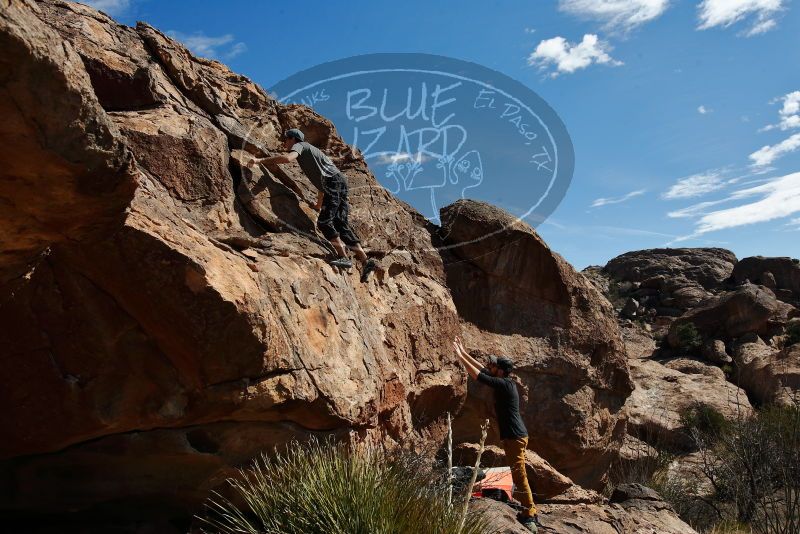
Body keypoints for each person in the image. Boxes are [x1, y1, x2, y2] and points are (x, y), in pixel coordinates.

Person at [249, 128, 377, 282]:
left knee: (324, 222)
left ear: (293, 139)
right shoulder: (314, 152)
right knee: (340, 223)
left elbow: (287, 159)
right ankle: (366, 260)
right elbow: (322, 185)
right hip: (339, 182)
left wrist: (260, 161)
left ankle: (343, 258)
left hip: (333, 182)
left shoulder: (301, 146)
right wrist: (318, 205)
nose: (284, 143)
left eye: (286, 139)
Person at [452, 337, 542, 533]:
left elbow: (478, 376)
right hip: (514, 436)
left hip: (515, 437)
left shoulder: (505, 385)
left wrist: (459, 356)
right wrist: (463, 352)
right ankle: (529, 510)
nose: (489, 366)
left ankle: (530, 513)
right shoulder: (503, 381)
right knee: (518, 473)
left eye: (494, 365)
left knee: (519, 475)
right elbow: (482, 372)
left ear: (501, 371)